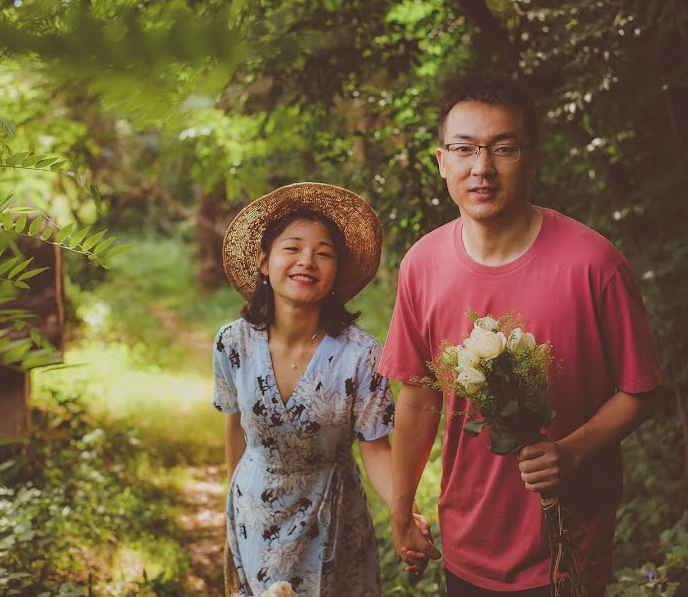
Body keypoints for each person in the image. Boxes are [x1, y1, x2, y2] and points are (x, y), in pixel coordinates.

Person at [379, 76, 664, 596]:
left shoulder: (593, 264)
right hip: (467, 545)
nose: (481, 167)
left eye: (502, 149)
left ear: (532, 159)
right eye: (464, 149)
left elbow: (641, 390)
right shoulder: (422, 265)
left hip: (569, 550)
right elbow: (418, 401)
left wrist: (571, 453)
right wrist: (402, 511)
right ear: (441, 160)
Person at [213, 182, 432, 596]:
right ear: (263, 261)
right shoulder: (233, 343)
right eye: (292, 248)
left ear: (336, 273)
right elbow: (235, 428)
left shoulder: (360, 353)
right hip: (254, 515)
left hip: (332, 516)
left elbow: (376, 447)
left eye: (324, 253)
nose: (307, 262)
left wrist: (405, 513)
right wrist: (235, 503)